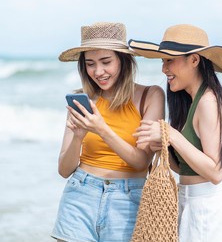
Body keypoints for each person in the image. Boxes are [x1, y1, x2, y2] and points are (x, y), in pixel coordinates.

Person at [51, 22, 165, 242]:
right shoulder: (81, 100)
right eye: (90, 64)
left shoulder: (151, 96)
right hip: (80, 194)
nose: (98, 72)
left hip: (128, 199)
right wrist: (78, 137)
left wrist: (101, 129)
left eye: (106, 62)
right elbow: (64, 170)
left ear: (123, 61)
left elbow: (141, 162)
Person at [129, 24, 222, 242]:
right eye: (163, 61)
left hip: (207, 212)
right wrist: (161, 145)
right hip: (188, 204)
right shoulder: (189, 101)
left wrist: (171, 134)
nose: (164, 69)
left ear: (194, 60)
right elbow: (184, 167)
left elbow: (216, 172)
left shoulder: (208, 101)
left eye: (170, 60)